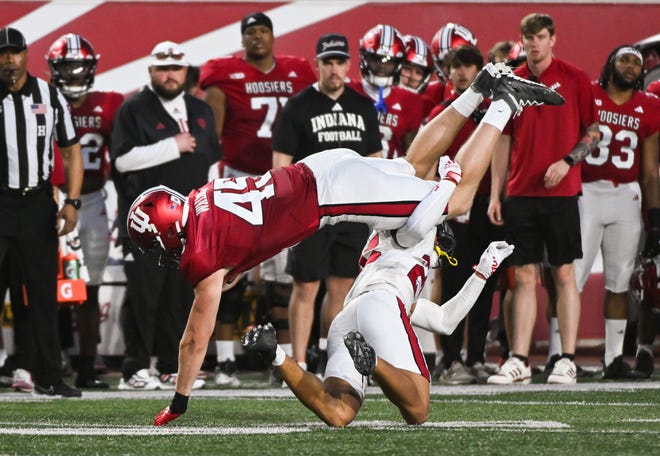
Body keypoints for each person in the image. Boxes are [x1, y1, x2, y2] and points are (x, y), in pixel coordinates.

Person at [140, 62, 564, 425]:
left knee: (456, 200)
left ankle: (504, 101)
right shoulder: (202, 198)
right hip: (320, 174)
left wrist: (179, 401)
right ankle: (481, 88)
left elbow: (195, 339)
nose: (168, 256)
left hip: (330, 195)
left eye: (161, 247)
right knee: (413, 166)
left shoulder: (201, 254)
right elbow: (249, 235)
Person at [242, 159, 513, 426]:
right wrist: (449, 182)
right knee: (417, 409)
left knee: (337, 411)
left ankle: (275, 352)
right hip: (382, 303)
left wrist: (482, 273)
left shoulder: (390, 253)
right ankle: (373, 362)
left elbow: (445, 320)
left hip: (350, 317)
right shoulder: (411, 223)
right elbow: (418, 226)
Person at [199, 12, 316, 385]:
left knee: (282, 279)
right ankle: (226, 362)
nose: (257, 37)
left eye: (263, 30)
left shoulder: (298, 72)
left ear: (273, 35)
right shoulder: (223, 73)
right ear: (242, 38)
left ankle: (282, 365)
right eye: (250, 32)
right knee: (231, 273)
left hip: (281, 182)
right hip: (237, 181)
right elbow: (214, 136)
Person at [487, 13, 599, 385]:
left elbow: (593, 132)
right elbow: (501, 139)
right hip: (520, 192)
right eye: (527, 37)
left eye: (540, 37)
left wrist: (567, 162)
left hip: (562, 193)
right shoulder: (511, 80)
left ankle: (566, 358)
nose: (534, 43)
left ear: (553, 39)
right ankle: (519, 359)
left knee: (564, 274)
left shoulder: (575, 79)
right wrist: (496, 192)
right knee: (522, 277)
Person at [110, 40, 221, 391]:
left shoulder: (201, 111)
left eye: (175, 67)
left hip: (188, 222)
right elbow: (123, 161)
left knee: (178, 296)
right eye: (162, 67)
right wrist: (171, 146)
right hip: (145, 222)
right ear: (150, 71)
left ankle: (171, 368)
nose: (170, 74)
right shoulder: (134, 109)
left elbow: (212, 163)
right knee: (144, 294)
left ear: (186, 71)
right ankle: (135, 368)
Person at [272, 33, 381, 374]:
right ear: (316, 64)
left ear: (349, 65)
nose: (334, 69)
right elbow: (281, 163)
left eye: (339, 62)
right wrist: (285, 209)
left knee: (341, 285)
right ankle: (298, 362)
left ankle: (329, 357)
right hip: (311, 208)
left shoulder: (363, 106)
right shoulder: (298, 106)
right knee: (306, 284)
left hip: (351, 209)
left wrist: (376, 208)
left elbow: (375, 160)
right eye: (327, 62)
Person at [0, 27, 83, 397]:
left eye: (14, 53)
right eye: (2, 53)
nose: (9, 60)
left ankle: (50, 375)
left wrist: (73, 201)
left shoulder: (50, 96)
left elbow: (71, 150)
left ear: (26, 55)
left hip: (36, 203)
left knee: (43, 295)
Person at [568, 45, 660, 378]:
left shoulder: (650, 107)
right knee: (570, 279)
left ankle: (613, 359)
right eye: (624, 59)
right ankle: (561, 355)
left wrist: (655, 216)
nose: (631, 66)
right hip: (587, 191)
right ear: (610, 64)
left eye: (636, 62)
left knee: (619, 282)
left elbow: (650, 170)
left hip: (626, 195)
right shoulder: (588, 93)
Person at [46, 33, 124, 389]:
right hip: (47, 199)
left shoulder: (108, 104)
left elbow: (120, 158)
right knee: (46, 285)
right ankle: (48, 359)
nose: (75, 77)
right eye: (68, 70)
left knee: (88, 289)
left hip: (91, 202)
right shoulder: (41, 103)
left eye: (81, 71)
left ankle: (86, 366)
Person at [426, 45, 503, 385]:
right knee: (454, 280)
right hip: (452, 201)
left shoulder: (492, 110)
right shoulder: (442, 111)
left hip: (487, 201)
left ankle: (475, 356)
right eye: (455, 66)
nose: (461, 72)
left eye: (468, 66)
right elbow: (428, 158)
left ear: (479, 70)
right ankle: (451, 356)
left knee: (486, 280)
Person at [350, 24, 425, 159]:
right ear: (365, 58)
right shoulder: (347, 90)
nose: (382, 66)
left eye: (389, 61)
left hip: (391, 174)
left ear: (398, 64)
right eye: (376, 60)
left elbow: (412, 155)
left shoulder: (409, 100)